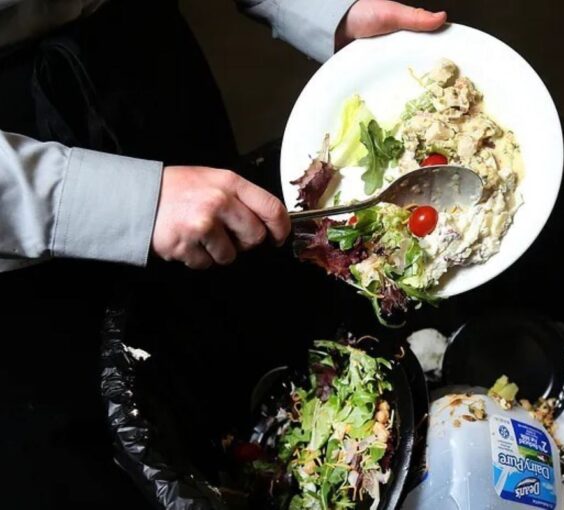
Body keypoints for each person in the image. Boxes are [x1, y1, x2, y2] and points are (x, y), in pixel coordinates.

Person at [0, 1, 445, 508]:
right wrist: (120, 201)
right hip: (20, 205)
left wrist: (329, 10)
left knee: (246, 287)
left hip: (136, 52)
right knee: (98, 451)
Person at [0, 0, 446, 272]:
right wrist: (130, 202)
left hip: (140, 46)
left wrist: (326, 9)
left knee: (239, 255)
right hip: (23, 186)